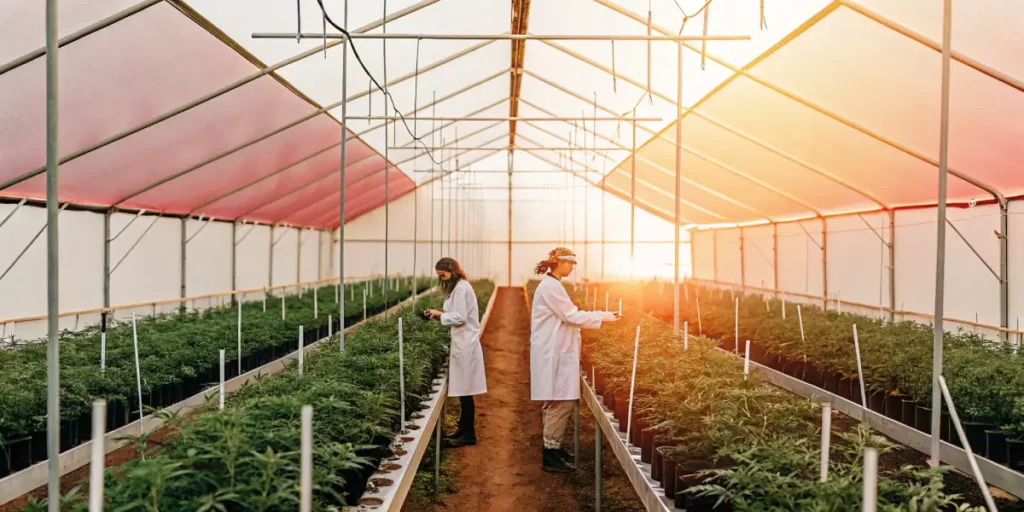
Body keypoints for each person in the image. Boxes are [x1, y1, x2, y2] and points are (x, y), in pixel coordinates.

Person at [529, 247, 619, 474]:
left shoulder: (552, 285)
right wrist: (604, 316)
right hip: (553, 352)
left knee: (557, 401)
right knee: (562, 401)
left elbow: (569, 316)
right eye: (570, 263)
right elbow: (571, 316)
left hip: (555, 350)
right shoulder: (551, 287)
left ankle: (553, 448)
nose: (572, 267)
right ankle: (550, 454)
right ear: (559, 262)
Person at [426, 257, 487, 447]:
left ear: (452, 271)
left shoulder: (461, 288)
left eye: (443, 275)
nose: (442, 279)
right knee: (464, 392)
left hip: (465, 344)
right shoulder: (459, 287)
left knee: (466, 392)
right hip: (462, 342)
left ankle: (468, 434)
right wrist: (440, 315)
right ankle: (463, 430)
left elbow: (460, 317)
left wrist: (439, 315)